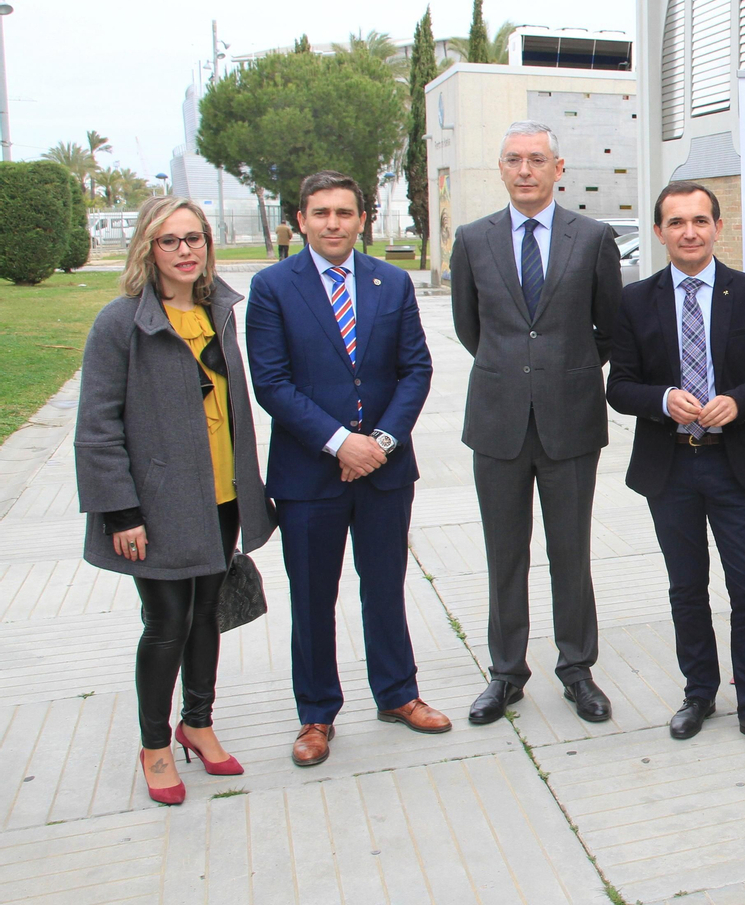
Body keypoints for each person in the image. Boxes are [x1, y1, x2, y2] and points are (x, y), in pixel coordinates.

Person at [76, 195, 276, 805]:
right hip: (157, 506)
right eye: (171, 241)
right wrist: (122, 511)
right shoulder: (120, 323)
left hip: (220, 496)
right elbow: (98, 425)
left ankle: (198, 722)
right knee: (166, 622)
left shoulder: (220, 312)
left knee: (207, 616)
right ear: (148, 249)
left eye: (195, 239)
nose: (186, 251)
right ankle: (155, 744)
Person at [248, 171, 445, 767]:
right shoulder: (272, 286)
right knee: (313, 597)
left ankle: (397, 694)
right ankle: (315, 714)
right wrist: (340, 443)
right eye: (321, 213)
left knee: (384, 585)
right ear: (301, 219)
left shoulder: (392, 282)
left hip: (384, 471)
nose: (333, 223)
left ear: (363, 219)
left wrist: (379, 442)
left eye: (344, 212)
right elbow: (272, 383)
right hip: (309, 477)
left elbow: (416, 369)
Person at [605, 181, 745, 757]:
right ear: (660, 232)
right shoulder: (635, 300)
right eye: (676, 222)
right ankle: (699, 693)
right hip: (671, 467)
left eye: (700, 221)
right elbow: (620, 387)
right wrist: (662, 399)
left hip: (735, 465)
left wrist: (739, 402)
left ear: (717, 227)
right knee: (686, 589)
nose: (690, 232)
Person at [450, 121, 623, 726]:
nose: (525, 170)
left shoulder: (594, 237)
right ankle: (506, 674)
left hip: (571, 421)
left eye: (536, 160)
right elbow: (470, 328)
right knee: (505, 555)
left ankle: (578, 669)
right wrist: (515, 372)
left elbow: (609, 327)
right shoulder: (472, 239)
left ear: (558, 168)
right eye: (513, 160)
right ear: (501, 169)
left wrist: (563, 370)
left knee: (570, 552)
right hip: (496, 422)